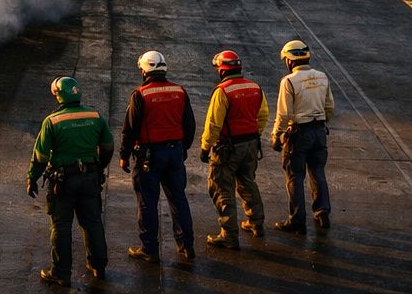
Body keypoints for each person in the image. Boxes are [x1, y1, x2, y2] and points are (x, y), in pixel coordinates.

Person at [27, 76, 114, 286]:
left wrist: (32, 178)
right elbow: (108, 145)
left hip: (63, 182)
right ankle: (98, 267)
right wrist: (99, 167)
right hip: (90, 178)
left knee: (61, 226)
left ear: (58, 96)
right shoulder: (95, 116)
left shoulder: (52, 121)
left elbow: (41, 156)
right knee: (92, 222)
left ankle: (61, 273)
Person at [119, 50, 197, 264]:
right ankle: (186, 245)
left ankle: (149, 249)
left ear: (144, 71)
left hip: (149, 156)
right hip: (175, 153)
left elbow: (130, 129)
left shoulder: (140, 95)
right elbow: (190, 125)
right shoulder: (180, 91)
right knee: (178, 198)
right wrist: (182, 149)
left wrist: (124, 155)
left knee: (147, 202)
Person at [200, 50, 269, 249]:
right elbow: (263, 115)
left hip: (228, 147)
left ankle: (228, 235)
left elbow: (213, 124)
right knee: (247, 181)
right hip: (251, 144)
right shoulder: (255, 87)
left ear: (222, 70)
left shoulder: (222, 91)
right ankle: (256, 223)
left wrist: (205, 147)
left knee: (222, 187)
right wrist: (254, 133)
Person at [271, 39, 334, 234]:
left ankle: (297, 221)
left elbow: (284, 114)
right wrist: (320, 123)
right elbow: (330, 106)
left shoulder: (289, 81)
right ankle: (322, 213)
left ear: (289, 60)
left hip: (299, 134)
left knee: (295, 176)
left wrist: (277, 135)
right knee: (318, 171)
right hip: (319, 131)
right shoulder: (322, 77)